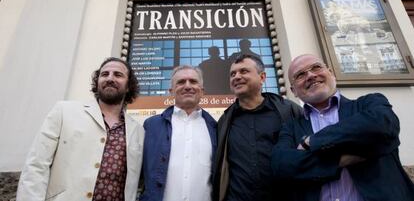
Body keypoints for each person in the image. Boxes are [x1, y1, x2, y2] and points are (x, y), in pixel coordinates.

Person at [272, 54, 414, 201]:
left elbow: (382, 126)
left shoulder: (369, 104)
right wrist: (340, 161)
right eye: (300, 74)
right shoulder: (290, 127)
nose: (311, 75)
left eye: (316, 67)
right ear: (293, 90)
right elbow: (281, 165)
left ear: (331, 74)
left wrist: (313, 141)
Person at [16, 57, 144, 201]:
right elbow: (36, 166)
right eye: (104, 74)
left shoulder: (139, 132)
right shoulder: (64, 111)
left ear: (128, 86)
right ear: (97, 82)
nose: (110, 78)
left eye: (118, 75)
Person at [212, 54, 302, 201]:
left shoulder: (289, 111)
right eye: (232, 74)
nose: (236, 77)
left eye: (244, 71)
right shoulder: (224, 121)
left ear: (262, 77)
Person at [140, 65, 217, 201]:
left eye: (193, 81)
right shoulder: (151, 126)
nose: (187, 86)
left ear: (202, 90)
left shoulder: (216, 128)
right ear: (171, 91)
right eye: (181, 82)